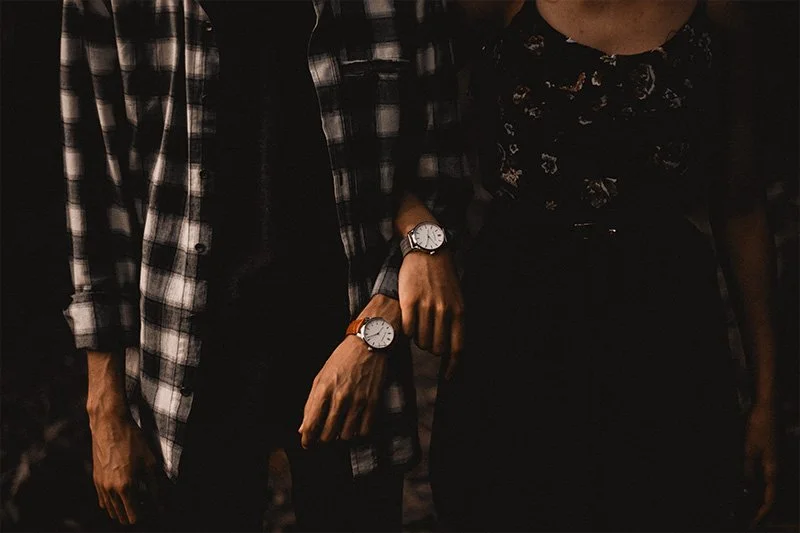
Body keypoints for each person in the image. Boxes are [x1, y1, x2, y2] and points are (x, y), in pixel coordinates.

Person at [60, 0, 467, 531]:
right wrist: (105, 408)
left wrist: (376, 332)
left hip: (349, 358)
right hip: (187, 365)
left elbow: (446, 168)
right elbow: (95, 195)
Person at [428, 0, 779, 531]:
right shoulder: (492, 8)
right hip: (519, 325)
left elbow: (742, 204)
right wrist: (417, 235)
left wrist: (766, 402)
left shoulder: (722, 13)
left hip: (663, 333)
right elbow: (412, 137)